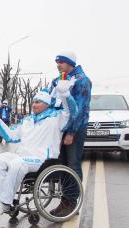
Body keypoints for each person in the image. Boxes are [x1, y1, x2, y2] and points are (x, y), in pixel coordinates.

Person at [0, 80, 78, 215]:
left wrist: (65, 94)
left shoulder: (57, 118)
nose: (34, 104)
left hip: (43, 160)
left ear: (47, 104)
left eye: (38, 102)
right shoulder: (27, 120)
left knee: (17, 163)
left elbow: (72, 112)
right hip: (23, 157)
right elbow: (11, 137)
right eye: (33, 101)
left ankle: (5, 203)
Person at [49, 51, 92, 215]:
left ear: (70, 63)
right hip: (59, 126)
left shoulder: (82, 81)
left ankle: (70, 202)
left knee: (72, 164)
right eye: (57, 62)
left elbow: (80, 110)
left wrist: (71, 132)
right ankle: (64, 201)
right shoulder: (58, 80)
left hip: (76, 127)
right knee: (61, 164)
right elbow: (49, 100)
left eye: (61, 62)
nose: (58, 65)